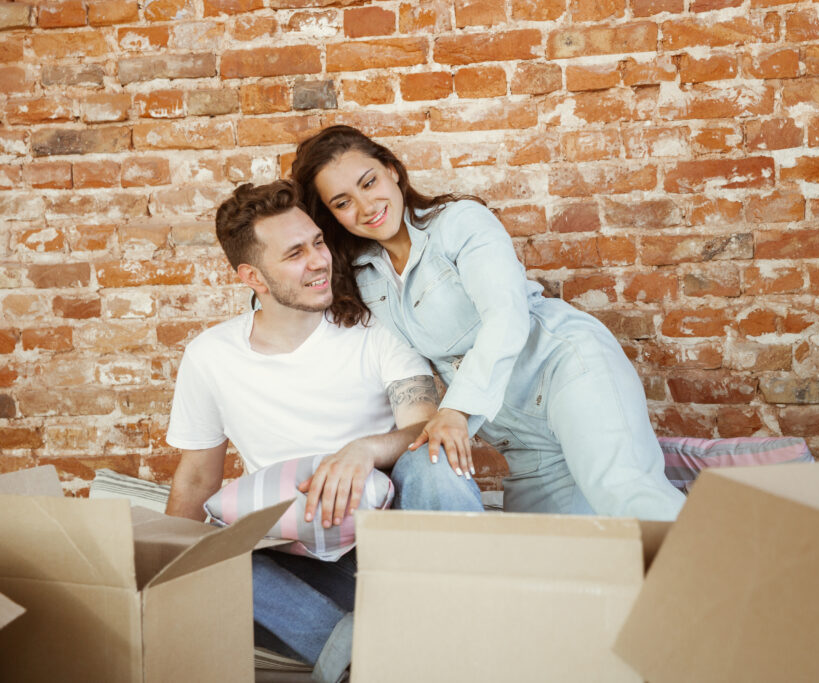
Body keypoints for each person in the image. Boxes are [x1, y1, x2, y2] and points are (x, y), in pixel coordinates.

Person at [164, 179, 482, 682]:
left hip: (393, 554)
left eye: (318, 242)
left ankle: (470, 621)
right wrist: (167, 576)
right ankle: (375, 657)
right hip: (301, 570)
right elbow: (197, 479)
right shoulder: (210, 355)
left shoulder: (375, 329)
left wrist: (362, 451)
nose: (319, 260)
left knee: (434, 456)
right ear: (254, 276)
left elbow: (422, 425)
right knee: (205, 557)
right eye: (295, 253)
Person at [291, 125, 685, 521]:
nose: (364, 206)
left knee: (630, 498)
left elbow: (506, 315)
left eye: (369, 182)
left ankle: (727, 575)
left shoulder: (459, 222)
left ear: (392, 170)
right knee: (544, 558)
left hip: (568, 374)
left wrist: (457, 412)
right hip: (516, 433)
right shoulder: (361, 276)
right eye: (342, 202)